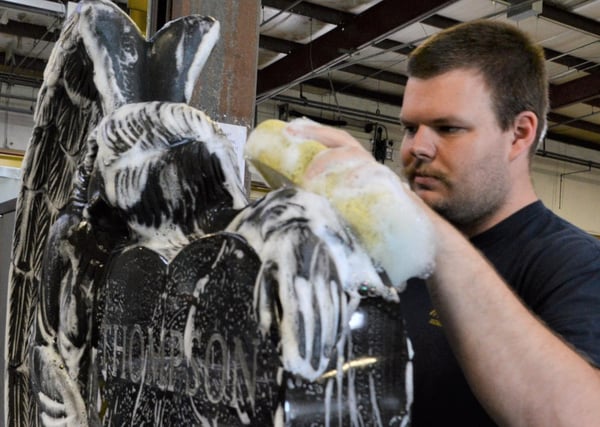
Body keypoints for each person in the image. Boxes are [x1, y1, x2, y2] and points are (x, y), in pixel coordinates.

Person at [287, 19, 600, 426]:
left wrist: (421, 228)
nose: (417, 147)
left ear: (520, 134)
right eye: (410, 127)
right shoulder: (381, 257)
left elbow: (578, 417)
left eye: (447, 128)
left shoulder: (575, 266)